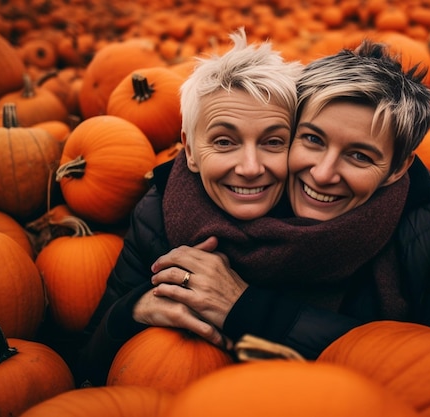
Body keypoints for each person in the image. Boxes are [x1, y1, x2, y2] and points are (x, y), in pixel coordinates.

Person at [79, 38, 430, 386]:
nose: (322, 175)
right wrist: (132, 310)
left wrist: (253, 311)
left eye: (359, 156)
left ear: (398, 168)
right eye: (313, 140)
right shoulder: (164, 209)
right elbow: (88, 366)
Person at [75, 28, 301, 386]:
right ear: (190, 151)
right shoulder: (156, 214)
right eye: (224, 142)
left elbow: (380, 356)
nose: (250, 167)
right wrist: (132, 310)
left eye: (273, 142)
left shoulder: (325, 216)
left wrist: (247, 307)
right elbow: (87, 361)